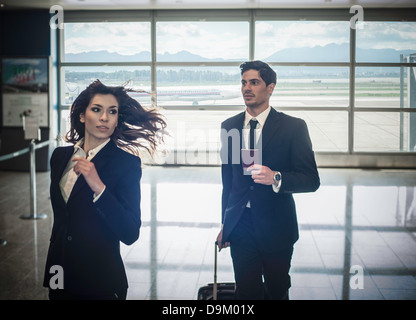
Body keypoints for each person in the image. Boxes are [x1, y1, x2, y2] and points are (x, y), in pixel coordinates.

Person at [43, 80, 166, 300]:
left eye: (112, 112)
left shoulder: (126, 163)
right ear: (82, 115)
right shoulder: (60, 157)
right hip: (58, 271)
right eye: (97, 109)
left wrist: (98, 186)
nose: (104, 118)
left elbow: (130, 232)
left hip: (100, 278)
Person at [216, 61, 320, 300]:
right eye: (243, 82)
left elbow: (311, 179)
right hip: (241, 226)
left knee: (276, 290)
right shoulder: (229, 126)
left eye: (254, 82)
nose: (246, 88)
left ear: (270, 88)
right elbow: (228, 182)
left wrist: (276, 177)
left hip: (277, 227)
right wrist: (226, 224)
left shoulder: (293, 127)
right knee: (246, 292)